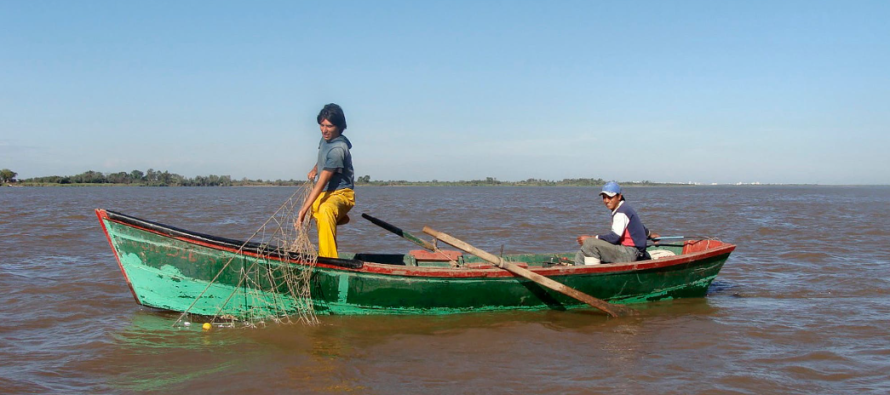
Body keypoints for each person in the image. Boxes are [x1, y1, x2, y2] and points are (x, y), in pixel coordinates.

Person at [296, 103, 355, 258]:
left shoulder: (338, 149)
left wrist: (303, 209)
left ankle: (329, 260)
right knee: (316, 207)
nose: (324, 130)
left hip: (341, 194)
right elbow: (323, 160)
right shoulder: (325, 140)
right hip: (326, 192)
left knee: (324, 210)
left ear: (339, 126)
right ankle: (339, 218)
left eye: (329, 126)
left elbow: (322, 181)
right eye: (321, 125)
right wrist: (315, 169)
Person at [574, 181, 659, 265]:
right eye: (604, 197)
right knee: (581, 254)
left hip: (630, 253)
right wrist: (650, 234)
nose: (606, 201)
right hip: (628, 250)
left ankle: (592, 274)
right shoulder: (625, 208)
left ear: (619, 197)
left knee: (589, 243)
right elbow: (639, 226)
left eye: (610, 197)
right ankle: (581, 272)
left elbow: (614, 238)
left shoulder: (621, 212)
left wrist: (592, 238)